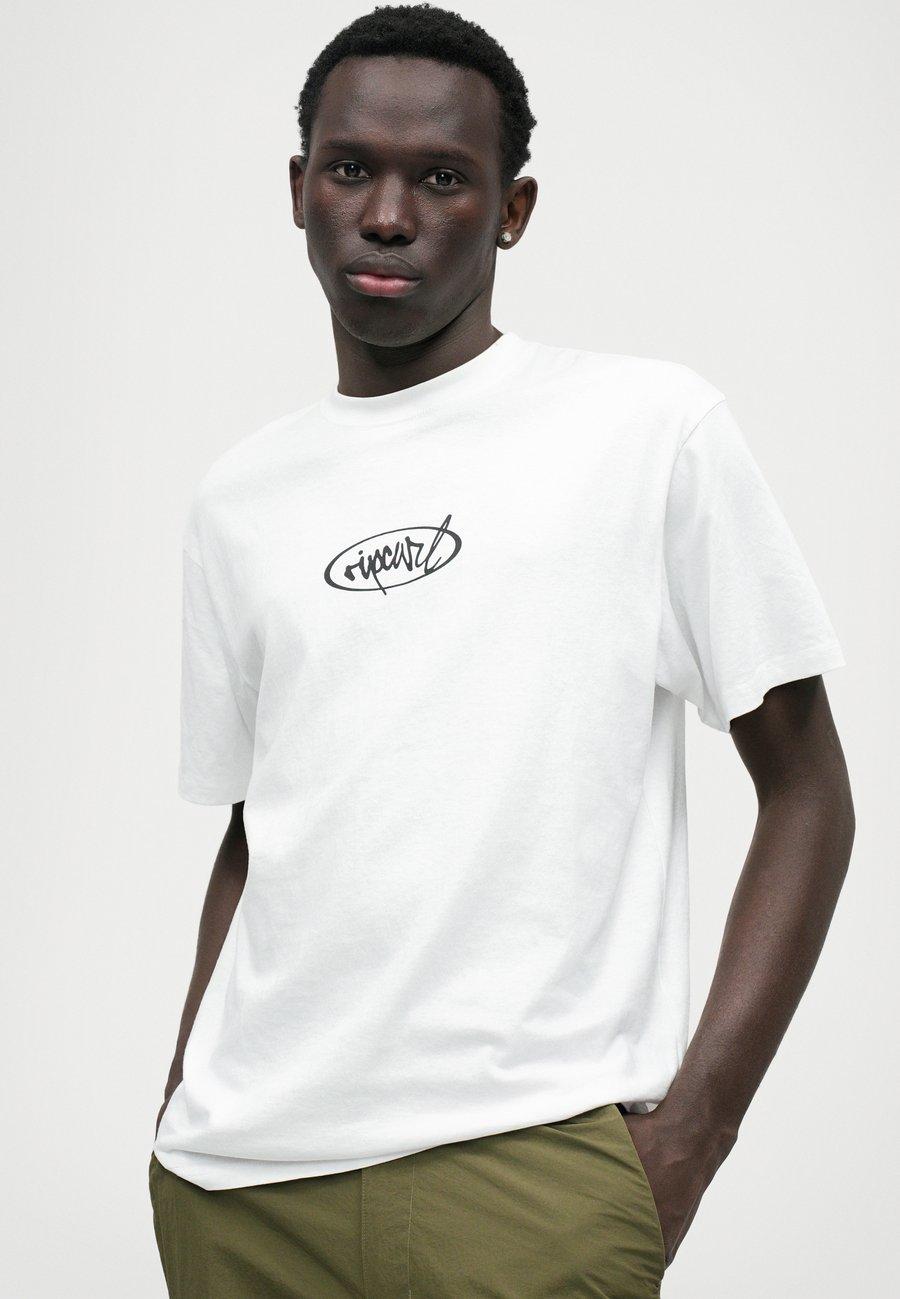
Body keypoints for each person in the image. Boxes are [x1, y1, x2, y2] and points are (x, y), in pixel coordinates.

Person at [148, 5, 854, 1296]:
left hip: (525, 1179)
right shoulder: (239, 499)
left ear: (513, 210)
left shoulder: (649, 432)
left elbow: (809, 793)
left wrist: (689, 1140)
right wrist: (180, 1091)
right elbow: (259, 826)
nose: (387, 215)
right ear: (298, 190)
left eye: (442, 178)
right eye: (351, 168)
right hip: (238, 1190)